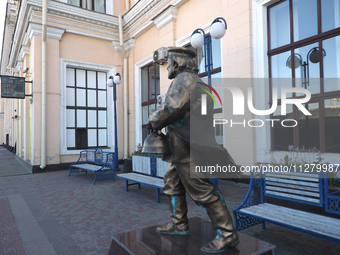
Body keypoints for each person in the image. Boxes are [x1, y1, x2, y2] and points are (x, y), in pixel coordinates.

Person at [146, 47, 239, 253]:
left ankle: (227, 234)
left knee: (202, 191)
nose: (168, 66)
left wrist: (152, 121)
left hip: (187, 147)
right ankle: (179, 224)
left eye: (169, 63)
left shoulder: (185, 79)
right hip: (178, 147)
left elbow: (173, 108)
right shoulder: (189, 80)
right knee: (172, 185)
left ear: (177, 63)